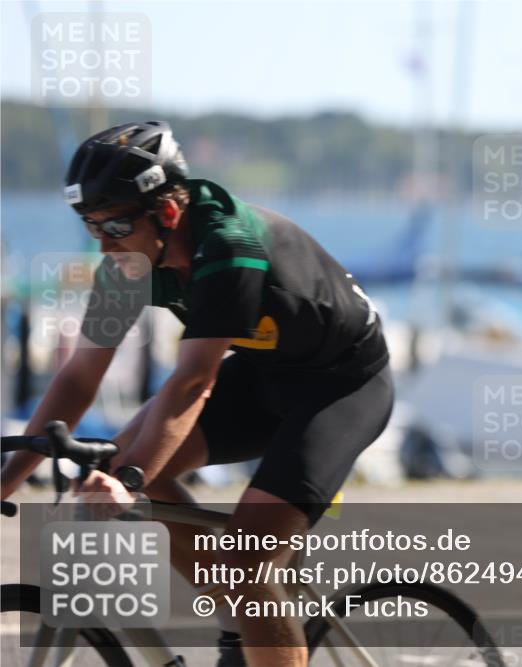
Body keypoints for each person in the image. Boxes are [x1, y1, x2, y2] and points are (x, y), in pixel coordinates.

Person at [0, 121, 395, 666]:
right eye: (91, 226)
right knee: (133, 470)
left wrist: (129, 480)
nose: (105, 244)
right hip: (265, 375)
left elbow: (192, 381)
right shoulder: (127, 265)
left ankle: (251, 600)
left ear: (167, 213)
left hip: (341, 386)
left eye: (115, 223)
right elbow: (77, 379)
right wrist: (6, 483)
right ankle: (250, 615)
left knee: (239, 561)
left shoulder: (230, 247)